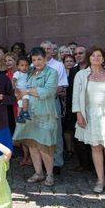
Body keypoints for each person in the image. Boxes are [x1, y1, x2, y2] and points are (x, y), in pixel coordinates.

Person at [73, 46, 105, 194]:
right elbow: (76, 96)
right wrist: (78, 114)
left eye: (99, 56)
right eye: (93, 55)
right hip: (90, 114)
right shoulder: (81, 75)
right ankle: (100, 179)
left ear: (103, 58)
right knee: (95, 147)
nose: (96, 58)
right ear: (89, 58)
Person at [12, 47, 58, 186]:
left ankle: (50, 174)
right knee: (32, 144)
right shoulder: (30, 71)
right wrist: (18, 93)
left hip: (44, 113)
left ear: (45, 59)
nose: (37, 62)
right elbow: (20, 89)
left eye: (39, 59)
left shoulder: (52, 72)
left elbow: (48, 91)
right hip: (29, 113)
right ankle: (38, 172)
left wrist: (26, 91)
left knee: (44, 145)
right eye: (34, 60)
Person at [41, 40, 69, 175]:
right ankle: (42, 161)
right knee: (39, 132)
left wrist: (45, 92)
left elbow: (62, 85)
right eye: (44, 49)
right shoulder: (33, 65)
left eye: (49, 49)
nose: (46, 51)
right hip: (37, 104)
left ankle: (57, 162)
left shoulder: (58, 66)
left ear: (53, 51)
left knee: (56, 133)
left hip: (52, 102)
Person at [12, 56, 32, 123]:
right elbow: (13, 81)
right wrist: (15, 89)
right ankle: (25, 112)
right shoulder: (18, 73)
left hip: (24, 89)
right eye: (22, 65)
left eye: (26, 65)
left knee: (20, 104)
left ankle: (19, 116)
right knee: (26, 98)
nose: (24, 67)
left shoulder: (27, 73)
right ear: (18, 66)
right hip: (20, 90)